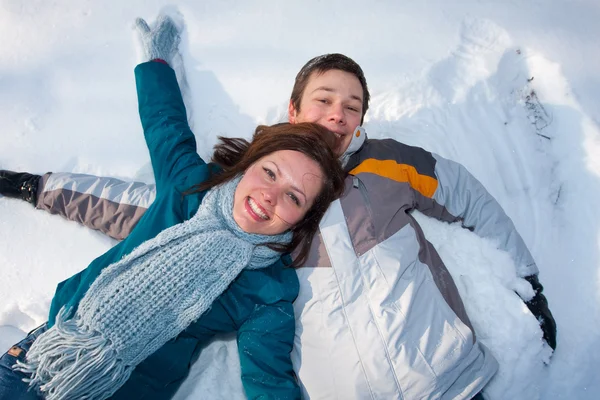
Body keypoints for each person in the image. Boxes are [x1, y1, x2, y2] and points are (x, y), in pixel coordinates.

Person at [0, 17, 557, 400]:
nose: (338, 114)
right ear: (293, 109)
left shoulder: (384, 170)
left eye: (352, 106)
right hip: (42, 358)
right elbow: (144, 184)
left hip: (450, 380)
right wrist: (35, 184)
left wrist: (528, 277)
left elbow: (465, 196)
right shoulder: (224, 194)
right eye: (324, 100)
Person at [0, 14, 346, 400]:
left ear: (303, 219)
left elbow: (268, 378)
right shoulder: (191, 185)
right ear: (249, 164)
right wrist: (155, 64)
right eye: (269, 172)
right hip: (44, 358)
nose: (271, 195)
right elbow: (165, 126)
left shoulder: (270, 288)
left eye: (294, 197)